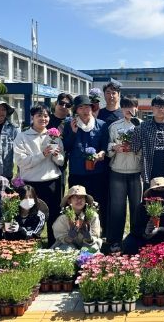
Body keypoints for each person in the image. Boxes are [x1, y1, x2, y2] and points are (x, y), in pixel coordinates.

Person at [13, 103, 64, 246]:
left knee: (54, 215)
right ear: (32, 117)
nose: (43, 118)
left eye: (46, 116)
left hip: (52, 181)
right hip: (31, 184)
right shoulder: (22, 137)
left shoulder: (54, 136)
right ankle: (30, 244)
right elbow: (21, 162)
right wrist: (43, 154)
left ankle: (54, 244)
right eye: (39, 115)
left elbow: (61, 162)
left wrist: (56, 156)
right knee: (29, 214)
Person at [62, 95, 109, 230]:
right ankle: (76, 231)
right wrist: (73, 132)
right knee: (77, 204)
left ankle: (97, 231)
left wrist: (101, 154)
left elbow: (105, 146)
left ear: (92, 108)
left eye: (87, 107)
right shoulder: (69, 124)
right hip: (77, 172)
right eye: (81, 107)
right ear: (76, 110)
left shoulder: (101, 124)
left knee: (97, 202)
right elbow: (66, 147)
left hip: (97, 172)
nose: (85, 110)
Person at [106, 95, 143, 251]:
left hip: (136, 172)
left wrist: (135, 149)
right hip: (117, 171)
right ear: (121, 109)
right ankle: (115, 241)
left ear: (137, 108)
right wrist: (114, 147)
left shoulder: (142, 125)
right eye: (125, 106)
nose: (129, 109)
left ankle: (135, 240)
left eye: (132, 106)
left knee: (137, 208)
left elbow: (146, 149)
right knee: (117, 208)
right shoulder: (114, 126)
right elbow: (107, 146)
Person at [122, 177, 164, 254]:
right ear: (151, 191)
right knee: (129, 243)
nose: (159, 192)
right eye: (156, 189)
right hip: (147, 238)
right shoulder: (143, 205)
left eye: (162, 189)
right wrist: (145, 231)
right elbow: (135, 228)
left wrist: (159, 229)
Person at [52, 185, 102, 252]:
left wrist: (89, 237)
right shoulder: (63, 218)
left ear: (85, 201)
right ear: (69, 201)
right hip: (68, 245)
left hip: (88, 244)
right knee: (66, 250)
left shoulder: (93, 216)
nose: (79, 200)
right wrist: (69, 237)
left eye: (82, 197)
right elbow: (60, 237)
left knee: (92, 250)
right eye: (75, 197)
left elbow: (95, 235)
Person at [47, 92, 73, 198]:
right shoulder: (46, 119)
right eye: (61, 103)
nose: (64, 106)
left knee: (58, 197)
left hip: (60, 166)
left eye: (68, 105)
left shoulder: (70, 124)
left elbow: (70, 146)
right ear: (56, 103)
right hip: (42, 163)